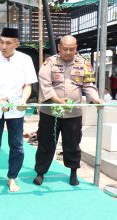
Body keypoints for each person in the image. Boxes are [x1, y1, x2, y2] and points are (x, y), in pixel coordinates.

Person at [34, 35, 103, 186]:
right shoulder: (49, 63)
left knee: (72, 143)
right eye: (65, 49)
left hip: (73, 113)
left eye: (72, 49)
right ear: (59, 48)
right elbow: (45, 84)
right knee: (46, 142)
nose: (68, 52)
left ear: (76, 48)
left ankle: (73, 172)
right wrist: (57, 100)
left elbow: (89, 85)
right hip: (50, 112)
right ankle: (40, 172)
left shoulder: (84, 64)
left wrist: (96, 99)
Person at [0, 27, 37, 192]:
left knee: (17, 145)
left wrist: (24, 100)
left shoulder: (25, 59)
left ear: (17, 44)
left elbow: (28, 85)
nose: (3, 46)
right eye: (1, 42)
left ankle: (12, 178)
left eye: (8, 43)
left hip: (16, 109)